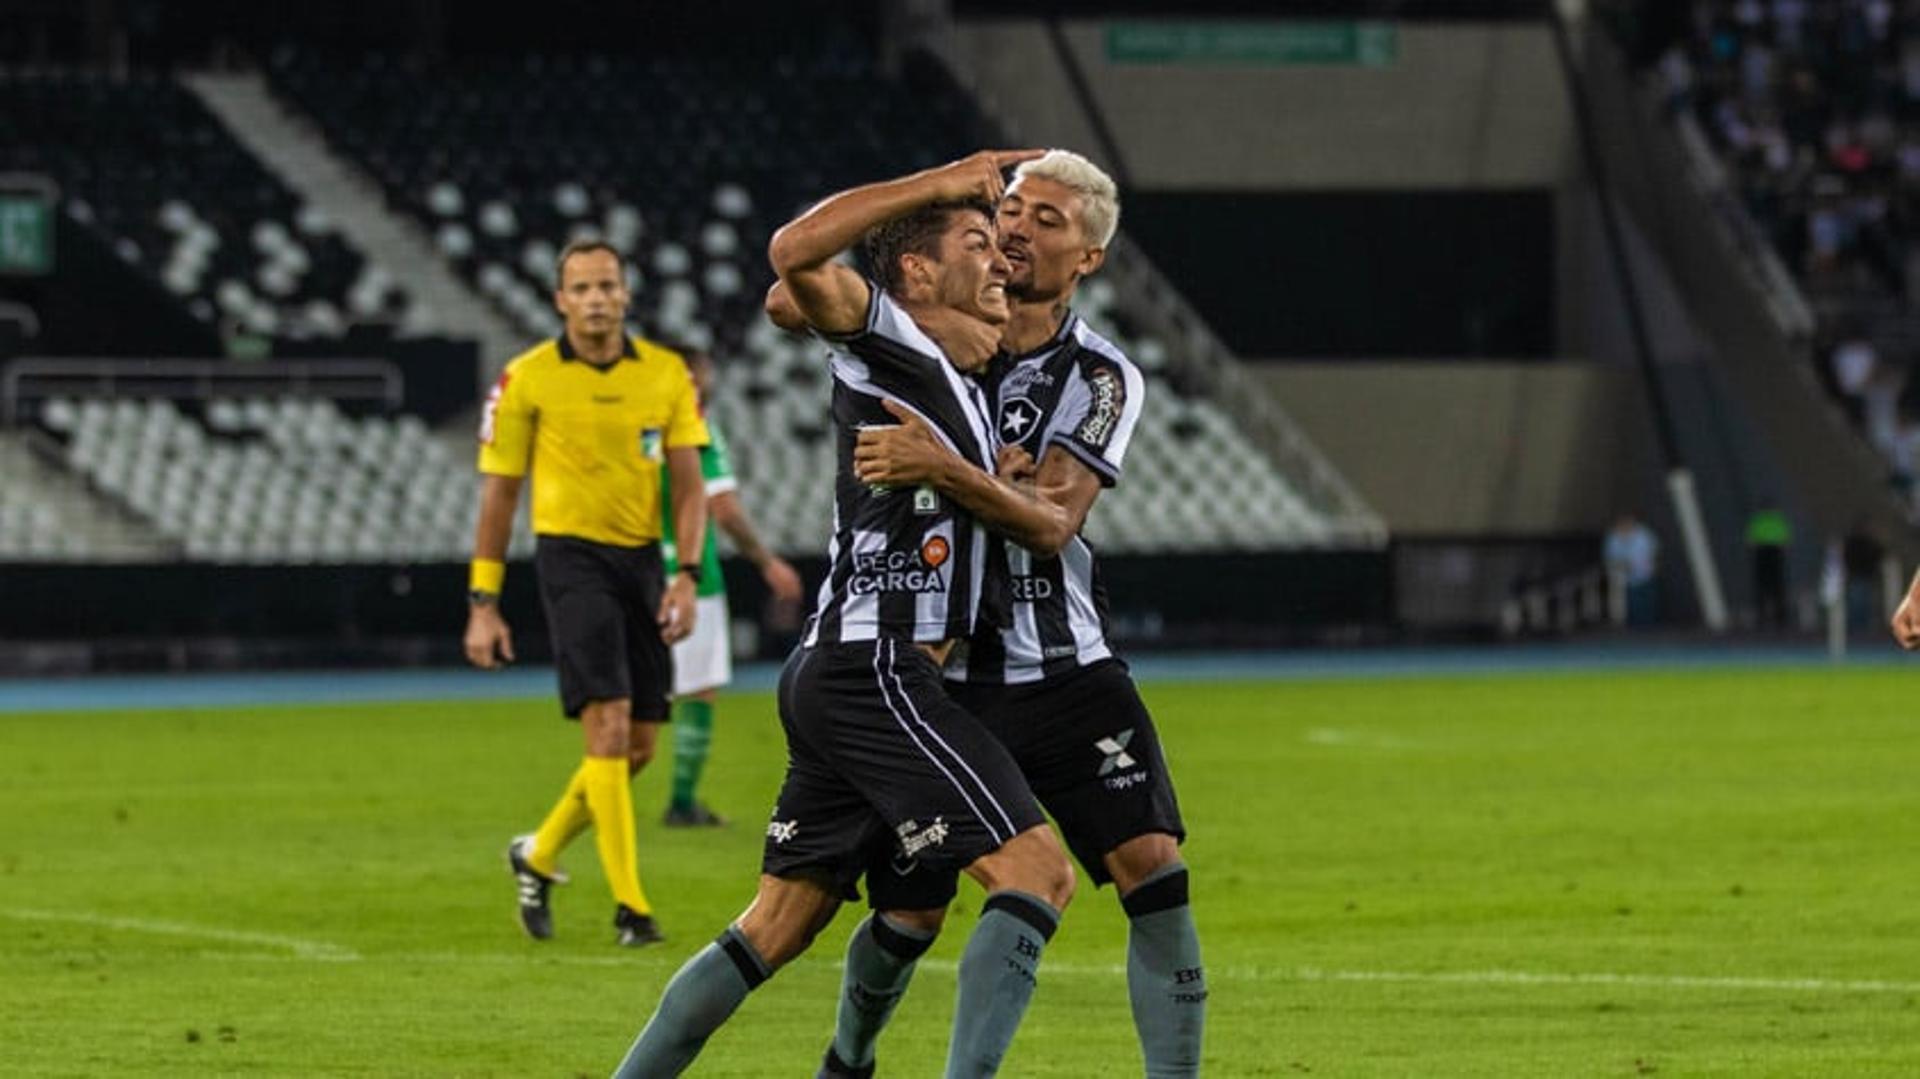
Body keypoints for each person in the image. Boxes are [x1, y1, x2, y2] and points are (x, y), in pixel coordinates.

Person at [612, 150, 1078, 1079]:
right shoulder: (891, 339)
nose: (998, 263)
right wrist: (946, 181)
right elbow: (794, 255)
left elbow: (787, 300)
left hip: (856, 668)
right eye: (977, 244)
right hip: (879, 664)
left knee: (799, 923)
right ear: (914, 273)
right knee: (1039, 874)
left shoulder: (958, 379)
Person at [818, 149, 1207, 1079]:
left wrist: (953, 470)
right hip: (936, 678)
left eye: (1050, 222)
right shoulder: (915, 333)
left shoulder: (1101, 376)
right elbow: (793, 291)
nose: (1021, 229)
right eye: (1016, 209)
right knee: (909, 911)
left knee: (1152, 868)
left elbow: (1054, 522)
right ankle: (850, 1055)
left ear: (1090, 260)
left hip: (1064, 663)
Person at [464, 239, 709, 949]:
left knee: (636, 746)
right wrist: (484, 600)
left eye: (608, 285)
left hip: (642, 562)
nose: (597, 298)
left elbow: (689, 485)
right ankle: (633, 907)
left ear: (627, 294)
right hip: (569, 558)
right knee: (605, 727)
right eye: (582, 287)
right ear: (559, 300)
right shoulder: (527, 379)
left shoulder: (666, 374)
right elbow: (500, 494)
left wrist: (686, 574)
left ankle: (537, 852)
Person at [659, 346, 804, 827]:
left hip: (632, 573)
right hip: (691, 577)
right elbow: (722, 508)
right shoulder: (696, 429)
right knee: (697, 692)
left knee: (631, 700)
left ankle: (605, 801)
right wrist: (766, 561)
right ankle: (681, 802)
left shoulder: (635, 430)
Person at [1603, 513, 1659, 627]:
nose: (1625, 525)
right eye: (1622, 523)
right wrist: (1621, 566)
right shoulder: (1613, 538)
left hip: (1645, 576)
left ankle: (1649, 627)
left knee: (1647, 605)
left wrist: (1652, 567)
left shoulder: (1643, 535)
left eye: (1627, 522)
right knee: (1632, 606)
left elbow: (1654, 552)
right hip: (1625, 579)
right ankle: (1634, 629)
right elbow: (1610, 558)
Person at [1745, 499, 1792, 630]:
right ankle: (1781, 617)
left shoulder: (1757, 519)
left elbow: (1750, 542)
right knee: (1777, 587)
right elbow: (1785, 542)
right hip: (1774, 552)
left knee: (1762, 587)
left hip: (1762, 552)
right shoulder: (1778, 519)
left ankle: (1761, 617)